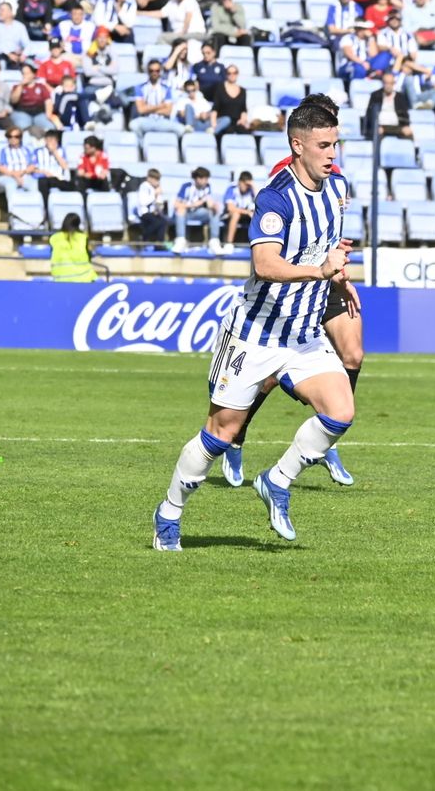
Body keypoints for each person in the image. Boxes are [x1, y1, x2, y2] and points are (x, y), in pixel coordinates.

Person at [152, 96, 356, 550]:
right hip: (255, 334)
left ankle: (277, 481)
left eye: (335, 145)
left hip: (303, 334)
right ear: (297, 145)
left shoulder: (337, 189)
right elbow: (266, 264)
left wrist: (339, 279)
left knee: (341, 410)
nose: (332, 154)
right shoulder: (275, 198)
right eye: (323, 146)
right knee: (221, 433)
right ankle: (169, 511)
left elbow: (326, 247)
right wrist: (320, 272)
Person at [171, 166, 223, 254]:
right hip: (186, 213)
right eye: (204, 179)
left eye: (207, 179)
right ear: (197, 178)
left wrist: (214, 206)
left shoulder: (207, 187)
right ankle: (180, 240)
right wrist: (193, 205)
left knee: (214, 212)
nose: (206, 181)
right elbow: (176, 204)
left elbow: (209, 202)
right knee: (180, 209)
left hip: (200, 213)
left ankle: (214, 241)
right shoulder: (186, 187)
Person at [49, 213, 95, 283]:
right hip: (84, 280)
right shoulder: (83, 237)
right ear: (78, 224)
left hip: (60, 280)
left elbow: (52, 255)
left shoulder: (54, 238)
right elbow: (89, 256)